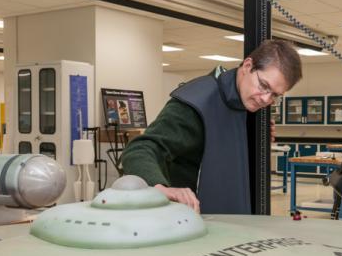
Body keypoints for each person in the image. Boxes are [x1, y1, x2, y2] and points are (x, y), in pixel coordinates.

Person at [121, 39, 302, 214]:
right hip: (192, 222)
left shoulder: (246, 103)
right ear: (247, 66)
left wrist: (253, 141)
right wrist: (159, 188)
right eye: (263, 86)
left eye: (274, 95)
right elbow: (140, 149)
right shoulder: (196, 104)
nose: (265, 99)